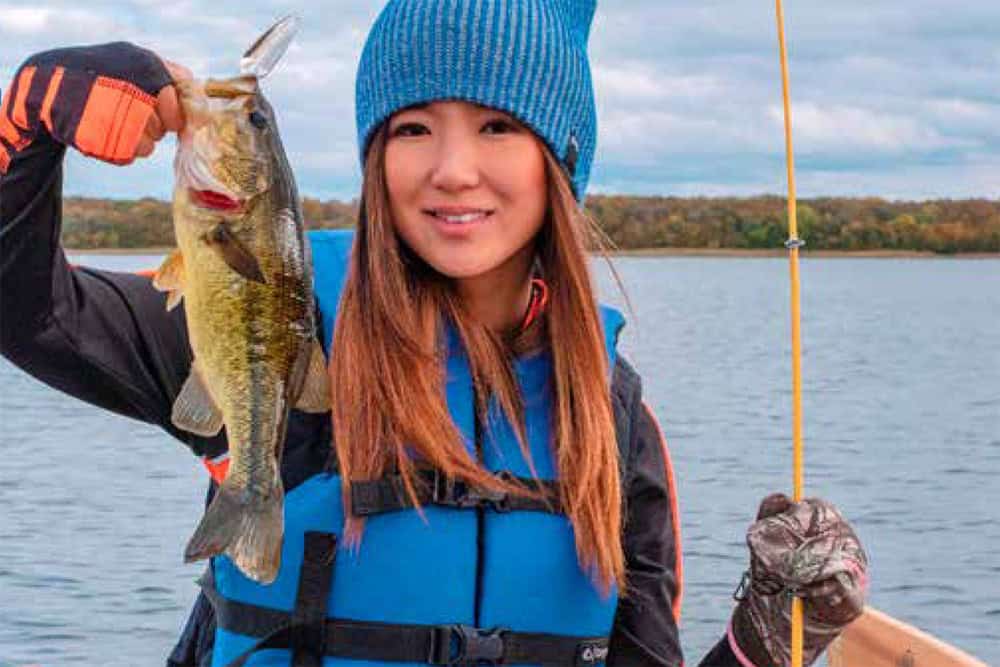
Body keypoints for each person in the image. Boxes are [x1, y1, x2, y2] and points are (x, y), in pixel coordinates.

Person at [0, 2, 868, 666]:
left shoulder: (613, 415)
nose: (454, 169)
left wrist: (765, 642)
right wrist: (24, 136)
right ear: (375, 158)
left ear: (559, 160)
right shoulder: (278, 318)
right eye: (413, 128)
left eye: (497, 125)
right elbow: (25, 307)